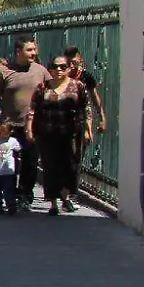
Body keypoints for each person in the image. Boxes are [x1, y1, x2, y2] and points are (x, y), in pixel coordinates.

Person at [29, 55, 92, 216]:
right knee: (50, 167)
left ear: (68, 68)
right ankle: (53, 203)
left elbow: (86, 108)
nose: (58, 70)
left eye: (62, 67)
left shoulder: (77, 86)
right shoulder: (43, 87)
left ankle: (65, 197)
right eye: (55, 67)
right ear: (49, 69)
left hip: (71, 134)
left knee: (70, 166)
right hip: (47, 134)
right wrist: (30, 129)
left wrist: (87, 129)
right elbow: (32, 110)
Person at [0, 37, 49, 205]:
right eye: (29, 50)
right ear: (19, 52)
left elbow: (50, 93)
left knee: (31, 161)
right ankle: (9, 191)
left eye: (34, 50)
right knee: (9, 161)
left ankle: (25, 193)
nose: (33, 53)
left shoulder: (41, 71)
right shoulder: (4, 72)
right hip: (9, 125)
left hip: (32, 125)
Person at [64, 46, 107, 167]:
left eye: (74, 59)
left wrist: (102, 117)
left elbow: (94, 97)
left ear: (80, 59)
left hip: (82, 117)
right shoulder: (61, 74)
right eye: (69, 60)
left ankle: (74, 174)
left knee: (79, 151)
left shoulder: (86, 76)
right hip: (63, 117)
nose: (71, 63)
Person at [0, 120, 21, 215]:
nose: (1, 133)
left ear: (10, 132)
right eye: (0, 130)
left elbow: (19, 149)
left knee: (8, 189)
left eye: (4, 132)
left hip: (8, 171)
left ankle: (11, 205)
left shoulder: (12, 141)